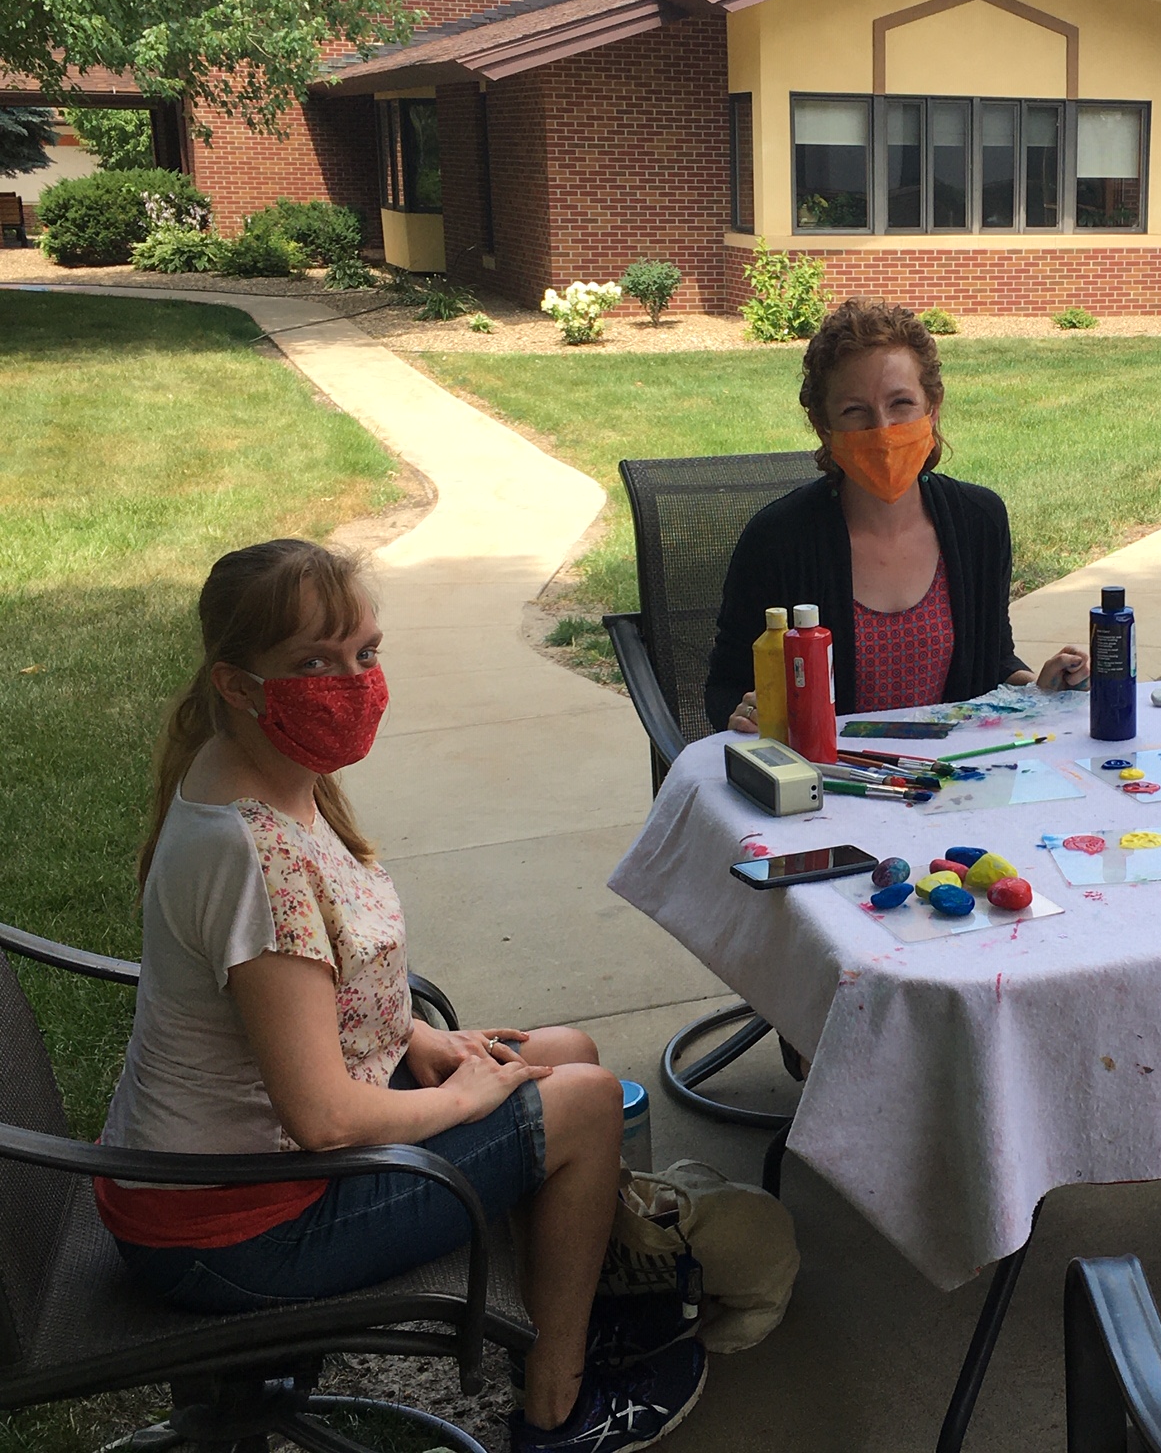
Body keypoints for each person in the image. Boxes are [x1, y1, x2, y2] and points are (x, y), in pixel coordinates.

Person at [99, 539, 704, 1453]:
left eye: (365, 654)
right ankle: (560, 1406)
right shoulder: (247, 854)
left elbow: (318, 981)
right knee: (579, 1106)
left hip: (237, 1188)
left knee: (567, 1053)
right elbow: (325, 1120)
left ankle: (564, 1313)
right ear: (235, 683)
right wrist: (464, 1097)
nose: (351, 682)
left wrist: (413, 1035)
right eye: (313, 662)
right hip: (234, 1234)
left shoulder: (273, 778)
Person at [707, 299, 1086, 734]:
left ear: (933, 407)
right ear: (822, 424)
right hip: (833, 782)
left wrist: (1040, 689)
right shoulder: (778, 540)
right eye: (855, 411)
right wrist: (745, 713)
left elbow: (992, 662)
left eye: (901, 403)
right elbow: (725, 686)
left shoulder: (979, 522)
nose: (883, 430)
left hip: (953, 778)